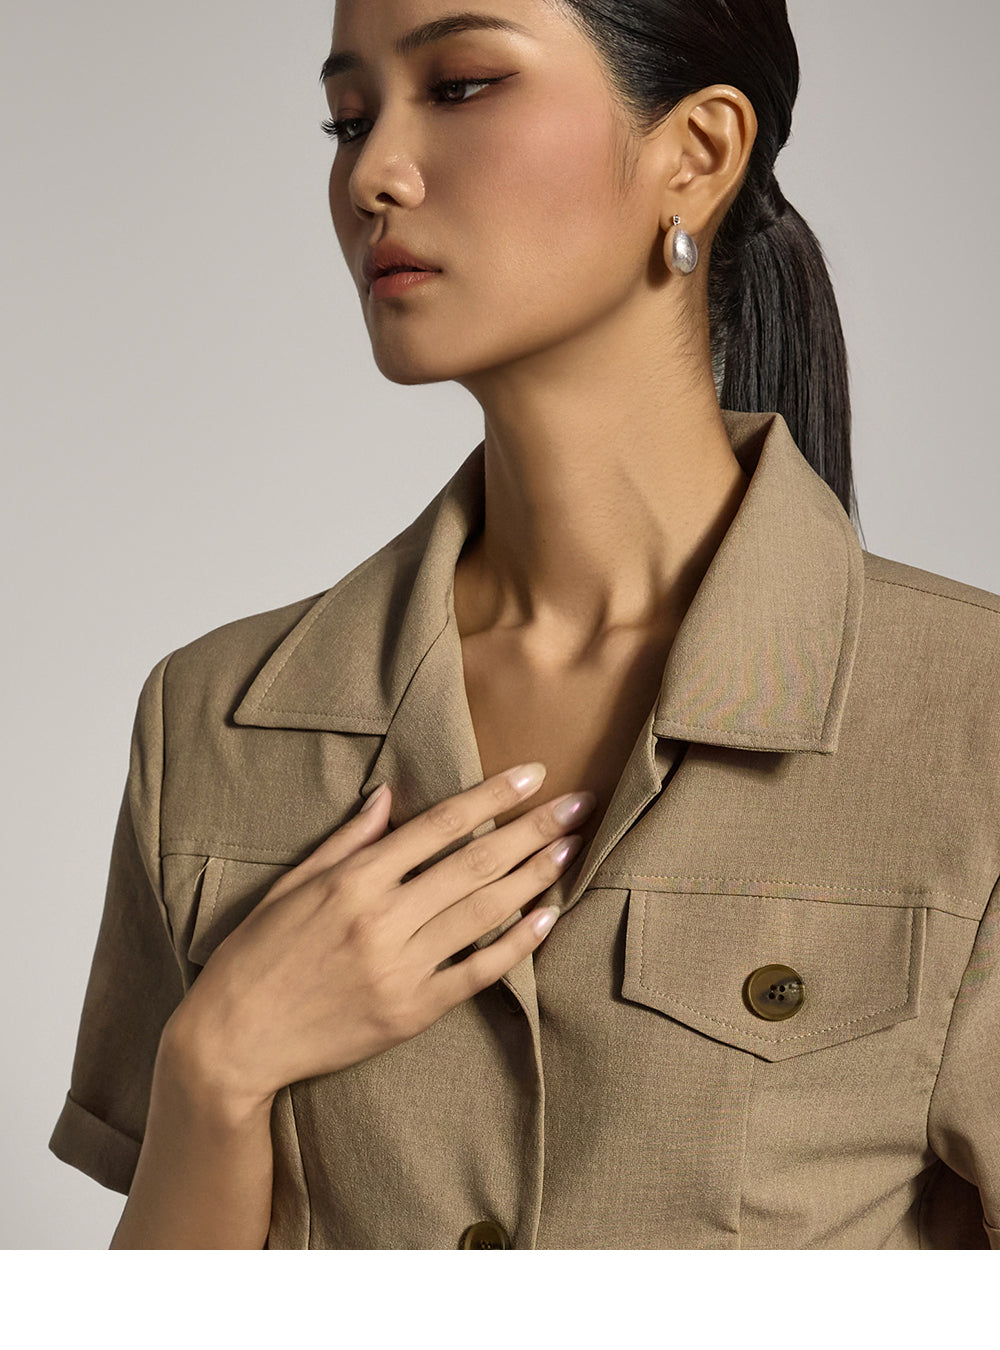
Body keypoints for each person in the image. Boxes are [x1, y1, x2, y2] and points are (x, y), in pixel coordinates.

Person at [49, 0, 999, 1250]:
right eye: (346, 120)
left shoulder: (969, 720)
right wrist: (215, 1069)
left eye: (458, 88)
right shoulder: (211, 722)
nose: (373, 175)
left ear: (698, 152)